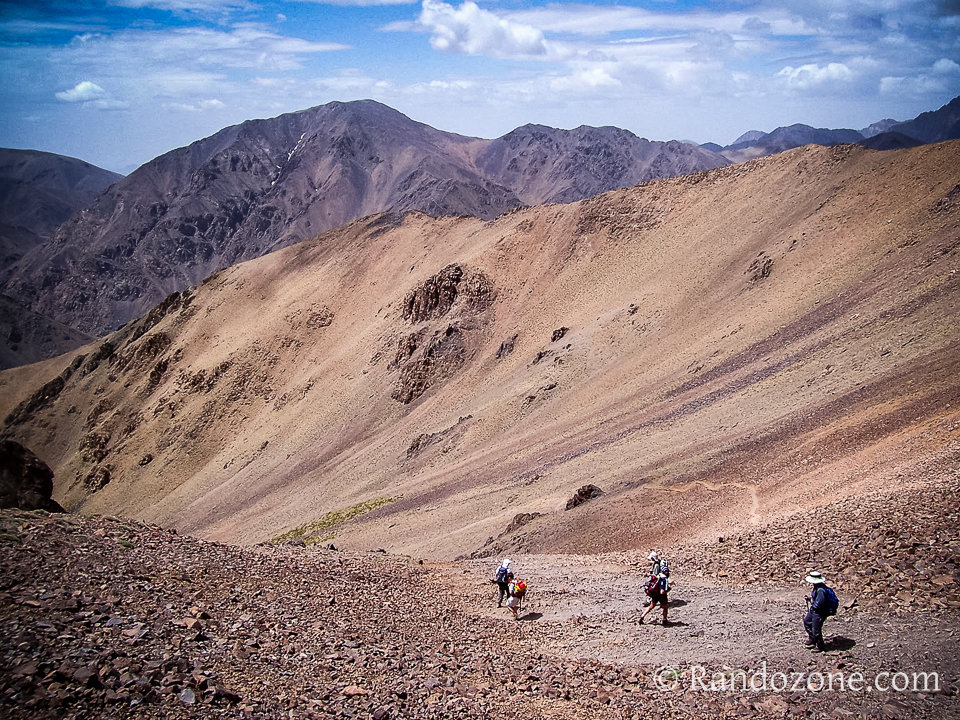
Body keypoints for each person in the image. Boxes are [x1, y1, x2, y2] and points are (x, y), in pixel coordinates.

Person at [803, 570, 833, 652]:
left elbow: (820, 602)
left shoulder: (820, 590)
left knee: (816, 629)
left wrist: (814, 606)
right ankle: (812, 639)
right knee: (807, 622)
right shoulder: (818, 587)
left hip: (819, 612)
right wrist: (810, 599)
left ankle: (820, 646)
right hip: (815, 610)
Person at [639, 551, 670, 626]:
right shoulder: (664, 578)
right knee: (665, 607)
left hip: (655, 593)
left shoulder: (659, 574)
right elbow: (662, 591)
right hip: (661, 595)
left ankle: (642, 616)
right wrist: (668, 589)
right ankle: (664, 620)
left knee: (651, 606)